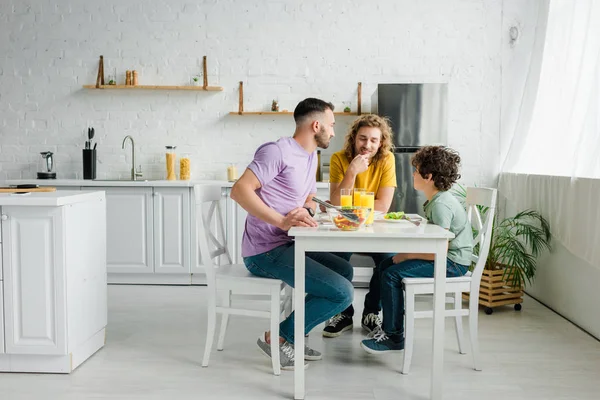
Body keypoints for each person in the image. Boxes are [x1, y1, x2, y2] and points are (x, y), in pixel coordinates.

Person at [230, 98, 354, 370]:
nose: (333, 132)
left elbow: (308, 196)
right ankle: (280, 337)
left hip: (289, 243)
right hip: (265, 251)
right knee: (343, 293)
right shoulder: (277, 151)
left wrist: (306, 211)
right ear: (316, 124)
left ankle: (290, 336)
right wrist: (283, 222)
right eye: (332, 125)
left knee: (345, 271)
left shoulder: (309, 155)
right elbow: (239, 190)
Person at [360, 146, 473, 353]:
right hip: (447, 258)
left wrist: (408, 255)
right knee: (386, 264)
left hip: (452, 263)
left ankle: (394, 336)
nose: (413, 174)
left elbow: (440, 250)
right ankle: (386, 327)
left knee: (391, 274)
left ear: (428, 176)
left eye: (416, 170)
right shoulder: (437, 200)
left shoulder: (441, 205)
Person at [321, 114, 397, 338]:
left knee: (388, 259)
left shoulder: (386, 160)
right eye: (363, 138)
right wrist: (352, 172)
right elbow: (336, 204)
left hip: (376, 226)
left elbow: (383, 205)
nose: (368, 145)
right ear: (354, 138)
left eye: (374, 140)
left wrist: (346, 204)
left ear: (381, 142)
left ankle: (372, 312)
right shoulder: (339, 159)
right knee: (335, 257)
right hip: (345, 226)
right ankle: (343, 313)